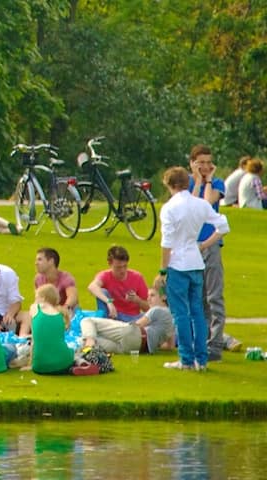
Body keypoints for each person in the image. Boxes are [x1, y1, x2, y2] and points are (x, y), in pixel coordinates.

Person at [160, 165, 230, 371]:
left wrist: (163, 270)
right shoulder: (200, 205)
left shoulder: (169, 208)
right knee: (197, 312)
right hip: (195, 261)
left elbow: (166, 242)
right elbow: (223, 227)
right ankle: (202, 359)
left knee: (181, 313)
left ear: (169, 185)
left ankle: (186, 359)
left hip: (177, 264)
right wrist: (204, 244)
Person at [188, 146, 240, 359]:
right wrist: (198, 182)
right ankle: (201, 342)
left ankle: (215, 345)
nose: (206, 166)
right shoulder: (188, 184)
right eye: (201, 162)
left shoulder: (217, 184)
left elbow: (206, 203)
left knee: (214, 297)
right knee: (197, 299)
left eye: (209, 162)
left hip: (210, 245)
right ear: (192, 163)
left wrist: (207, 180)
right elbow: (190, 206)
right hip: (191, 247)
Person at [81, 282, 176, 355]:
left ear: (164, 297)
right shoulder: (172, 318)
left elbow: (138, 325)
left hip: (133, 333)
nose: (148, 299)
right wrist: (154, 343)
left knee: (88, 321)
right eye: (148, 296)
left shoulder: (157, 309)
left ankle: (89, 343)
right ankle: (90, 346)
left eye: (152, 295)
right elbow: (170, 346)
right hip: (138, 349)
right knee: (86, 341)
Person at [19, 285, 74, 375]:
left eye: (36, 297)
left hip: (41, 366)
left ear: (43, 298)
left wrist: (31, 364)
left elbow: (35, 340)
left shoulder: (35, 308)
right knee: (72, 351)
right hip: (64, 363)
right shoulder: (59, 314)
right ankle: (79, 363)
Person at [88, 245, 151, 322]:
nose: (122, 271)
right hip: (113, 316)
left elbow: (149, 308)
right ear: (110, 264)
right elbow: (92, 287)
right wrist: (109, 302)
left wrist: (137, 300)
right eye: (118, 267)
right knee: (102, 291)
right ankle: (105, 322)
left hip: (133, 317)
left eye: (125, 266)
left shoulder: (137, 277)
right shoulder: (105, 276)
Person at [32, 247, 79, 311]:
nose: (36, 263)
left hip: (67, 314)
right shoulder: (38, 279)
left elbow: (73, 297)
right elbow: (37, 300)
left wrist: (64, 309)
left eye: (39, 260)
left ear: (51, 261)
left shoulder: (66, 278)